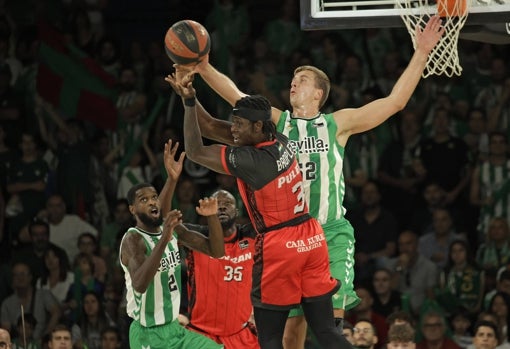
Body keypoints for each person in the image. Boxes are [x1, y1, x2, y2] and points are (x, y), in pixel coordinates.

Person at [173, 14, 445, 348]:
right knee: (291, 336)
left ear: (319, 93)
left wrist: (421, 52)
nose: (293, 82)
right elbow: (237, 98)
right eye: (292, 78)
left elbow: (394, 102)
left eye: (301, 79)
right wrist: (203, 68)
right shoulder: (278, 123)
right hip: (288, 239)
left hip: (328, 234)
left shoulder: (337, 124)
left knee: (330, 325)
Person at [166, 72, 349, 349]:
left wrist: (190, 104)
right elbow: (211, 126)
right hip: (312, 238)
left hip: (280, 244)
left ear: (257, 127)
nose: (234, 130)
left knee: (270, 338)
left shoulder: (252, 161)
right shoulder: (282, 139)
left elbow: (194, 150)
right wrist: (189, 97)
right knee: (326, 331)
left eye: (239, 125)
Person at [119, 140, 225, 349]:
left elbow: (217, 251)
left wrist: (212, 217)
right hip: (147, 334)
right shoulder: (133, 239)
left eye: (154, 197)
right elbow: (140, 284)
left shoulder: (172, 229)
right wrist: (165, 237)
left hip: (174, 329)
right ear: (132, 209)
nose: (151, 202)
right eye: (143, 200)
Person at [159, 139, 259, 348]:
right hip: (201, 335)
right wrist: (171, 180)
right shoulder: (197, 239)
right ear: (206, 210)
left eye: (227, 204)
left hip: (240, 335)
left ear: (237, 211)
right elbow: (165, 219)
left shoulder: (251, 236)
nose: (221, 208)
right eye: (216, 204)